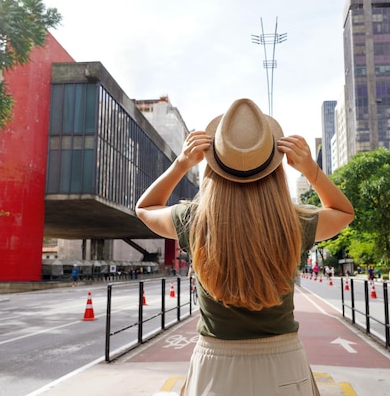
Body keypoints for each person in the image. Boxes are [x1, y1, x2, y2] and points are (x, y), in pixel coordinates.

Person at [135, 98, 354, 395]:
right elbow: (343, 212)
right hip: (284, 363)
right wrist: (310, 170)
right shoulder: (294, 222)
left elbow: (145, 207)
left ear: (213, 168)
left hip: (215, 365)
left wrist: (181, 163)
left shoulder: (194, 220)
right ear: (275, 170)